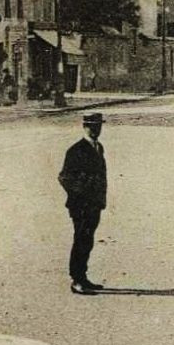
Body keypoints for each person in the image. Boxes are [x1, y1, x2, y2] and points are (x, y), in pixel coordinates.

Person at [58, 112, 109, 295]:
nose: (95, 130)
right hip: (81, 205)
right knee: (80, 240)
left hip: (94, 204)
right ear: (84, 127)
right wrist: (83, 194)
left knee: (87, 240)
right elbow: (65, 177)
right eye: (91, 126)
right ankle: (76, 280)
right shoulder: (76, 150)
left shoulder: (98, 147)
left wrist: (100, 200)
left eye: (98, 126)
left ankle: (83, 277)